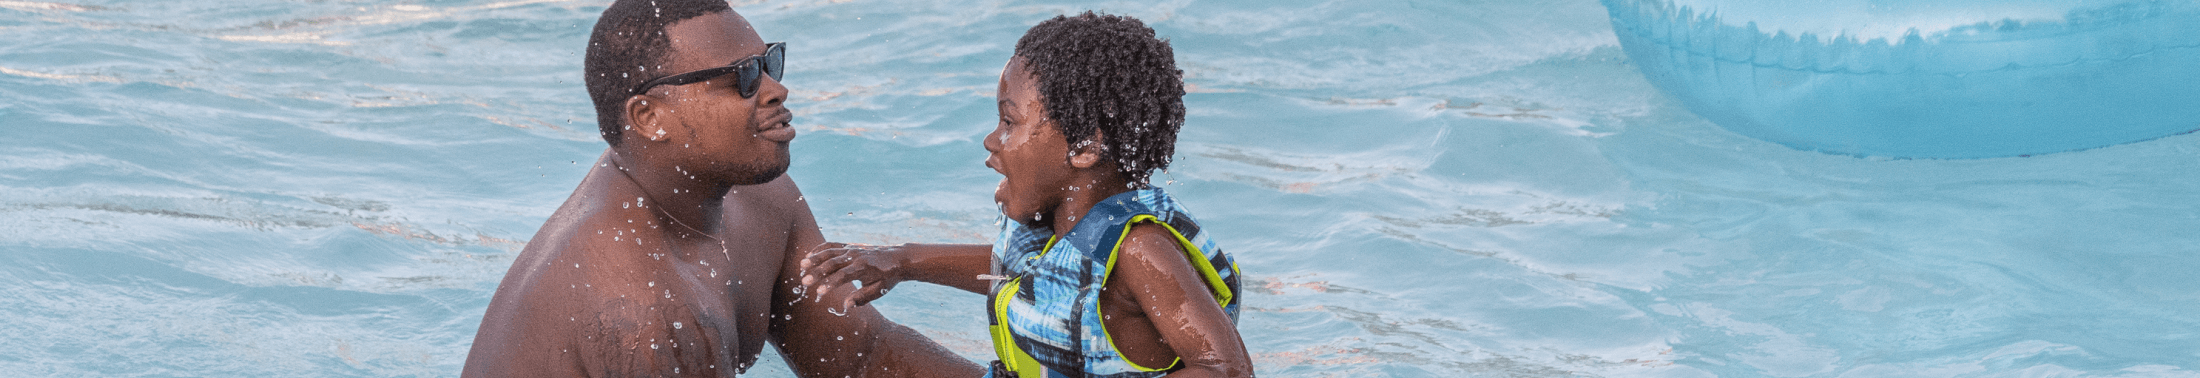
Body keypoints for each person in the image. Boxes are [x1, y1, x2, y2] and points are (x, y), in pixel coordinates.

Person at [461, 1, 979, 376]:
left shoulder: (761, 200)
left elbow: (862, 359)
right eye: (742, 78)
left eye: (769, 63)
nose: (776, 90)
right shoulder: (642, 309)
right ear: (649, 117)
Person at [800, 12, 1253, 378]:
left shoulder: (1140, 249)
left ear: (1084, 148)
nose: (992, 141)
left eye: (1009, 123)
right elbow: (1025, 273)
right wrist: (904, 261)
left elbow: (1225, 368)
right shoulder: (1059, 226)